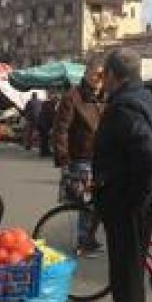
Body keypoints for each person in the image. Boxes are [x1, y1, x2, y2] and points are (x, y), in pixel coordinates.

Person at [93, 48, 152, 302]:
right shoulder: (148, 99)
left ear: (113, 75)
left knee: (128, 273)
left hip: (129, 203)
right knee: (125, 271)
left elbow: (149, 156)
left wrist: (136, 201)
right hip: (134, 196)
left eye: (103, 75)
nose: (101, 82)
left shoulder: (124, 106)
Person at [53, 58, 106, 254]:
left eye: (103, 75)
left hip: (100, 157)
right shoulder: (72, 97)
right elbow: (61, 129)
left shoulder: (103, 97)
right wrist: (64, 158)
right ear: (86, 74)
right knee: (85, 201)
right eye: (96, 74)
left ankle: (89, 237)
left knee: (97, 201)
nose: (100, 79)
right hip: (81, 157)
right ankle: (84, 240)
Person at [38, 93, 57, 157]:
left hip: (42, 123)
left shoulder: (46, 104)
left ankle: (44, 151)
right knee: (45, 138)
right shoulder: (50, 106)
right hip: (44, 124)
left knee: (44, 139)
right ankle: (44, 152)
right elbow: (51, 116)